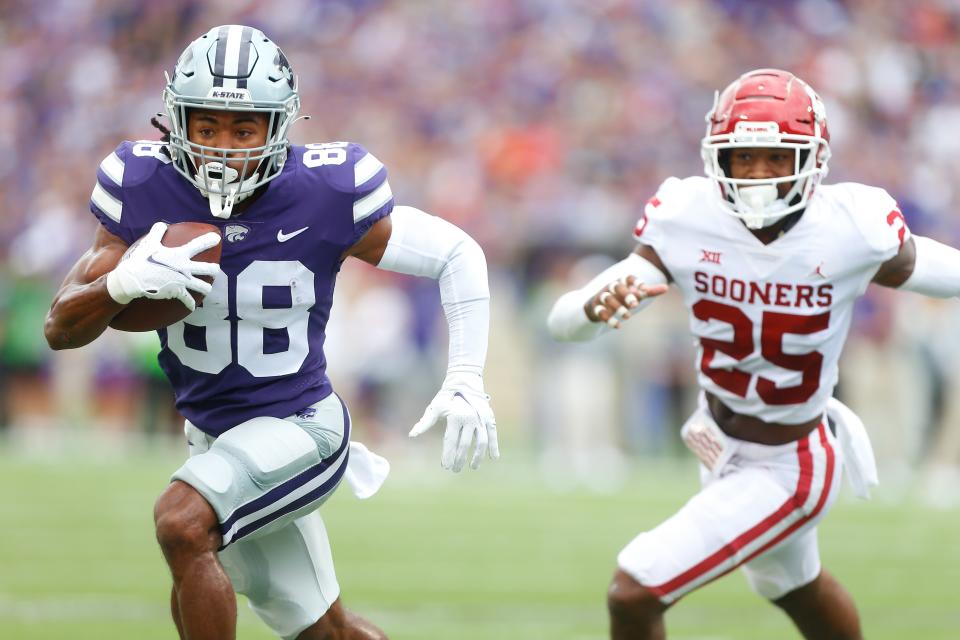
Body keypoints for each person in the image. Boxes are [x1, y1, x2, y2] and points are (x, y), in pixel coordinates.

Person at [44, 25, 499, 640]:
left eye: (243, 129)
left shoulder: (327, 190)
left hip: (301, 428)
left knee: (182, 523)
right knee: (324, 632)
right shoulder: (141, 184)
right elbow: (61, 328)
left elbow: (456, 252)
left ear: (277, 128)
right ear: (176, 122)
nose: (223, 149)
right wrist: (119, 287)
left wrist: (467, 374)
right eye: (206, 128)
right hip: (213, 439)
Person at [547, 68, 960, 639]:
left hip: (791, 460)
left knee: (633, 590)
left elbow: (942, 271)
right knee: (792, 587)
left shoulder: (850, 228)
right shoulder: (687, 216)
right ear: (718, 158)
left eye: (776, 156)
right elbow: (563, 323)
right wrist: (593, 309)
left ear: (812, 160)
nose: (758, 175)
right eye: (743, 157)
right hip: (717, 437)